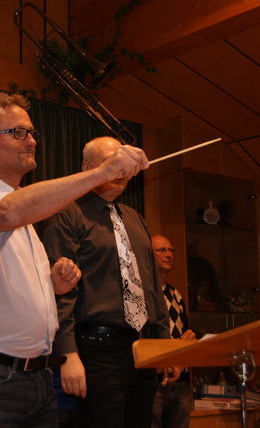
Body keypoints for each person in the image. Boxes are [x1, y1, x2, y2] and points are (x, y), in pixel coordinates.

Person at [0, 93, 150, 427]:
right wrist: (101, 173)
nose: (31, 140)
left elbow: (2, 286)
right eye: (17, 132)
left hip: (37, 378)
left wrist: (52, 285)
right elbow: (8, 212)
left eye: (32, 132)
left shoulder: (28, 217)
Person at [41, 136, 180, 428]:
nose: (120, 170)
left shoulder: (135, 219)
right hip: (97, 350)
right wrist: (68, 353)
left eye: (124, 163)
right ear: (86, 167)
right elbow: (60, 291)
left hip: (142, 350)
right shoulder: (67, 215)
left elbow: (152, 286)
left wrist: (164, 345)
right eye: (110, 163)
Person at [150, 235, 196, 428]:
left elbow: (187, 335)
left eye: (171, 250)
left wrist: (184, 348)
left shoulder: (175, 294)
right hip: (153, 382)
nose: (168, 255)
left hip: (180, 383)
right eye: (161, 250)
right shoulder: (143, 294)